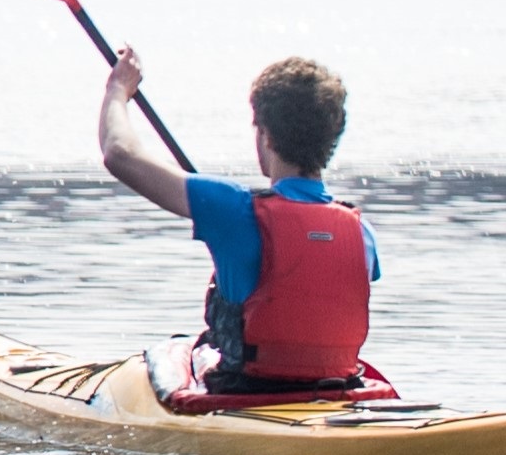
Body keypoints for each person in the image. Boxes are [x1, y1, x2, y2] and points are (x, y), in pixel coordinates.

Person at [98, 48, 381, 394]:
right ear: (331, 139)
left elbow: (119, 154)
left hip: (246, 391)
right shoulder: (361, 232)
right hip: (336, 386)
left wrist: (117, 90)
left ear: (265, 136)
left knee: (177, 352)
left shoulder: (234, 210)